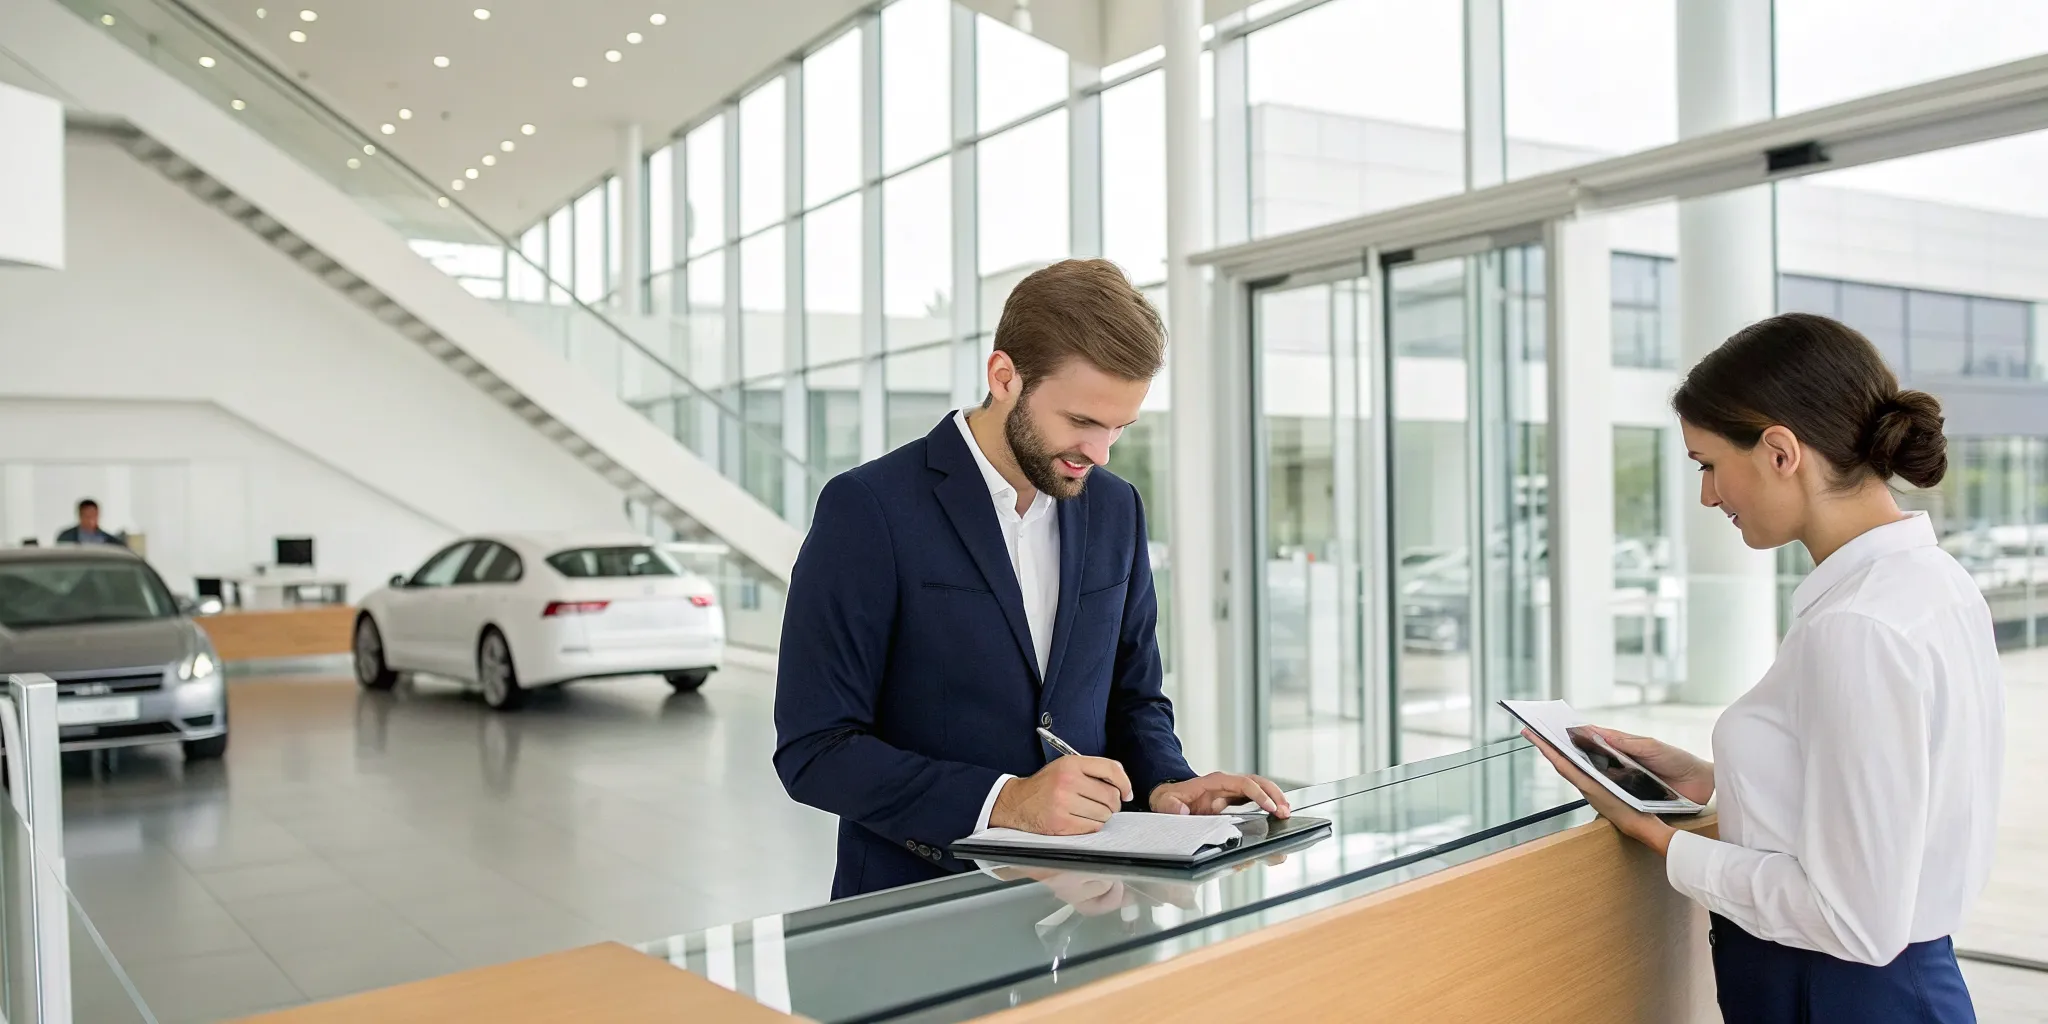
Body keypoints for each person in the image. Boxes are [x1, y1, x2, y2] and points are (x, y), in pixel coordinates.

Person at [1532, 313, 2002, 1023]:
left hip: (1840, 994)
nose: (1708, 497)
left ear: (1781, 451)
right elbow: (1900, 800)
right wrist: (1723, 779)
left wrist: (1663, 844)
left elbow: (1854, 919)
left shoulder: (1858, 627)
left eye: (1709, 465)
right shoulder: (1930, 585)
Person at [774, 258, 1290, 899]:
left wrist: (1166, 783)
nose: (1100, 454)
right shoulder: (870, 508)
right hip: (913, 914)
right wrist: (1008, 800)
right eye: (1081, 422)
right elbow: (815, 749)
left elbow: (1132, 697)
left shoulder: (1115, 508)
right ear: (1004, 376)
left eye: (1119, 427)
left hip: (1091, 915)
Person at [55, 499, 126, 547]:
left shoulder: (110, 541)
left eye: (94, 516)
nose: (91, 520)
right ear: (80, 516)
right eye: (87, 516)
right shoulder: (66, 538)